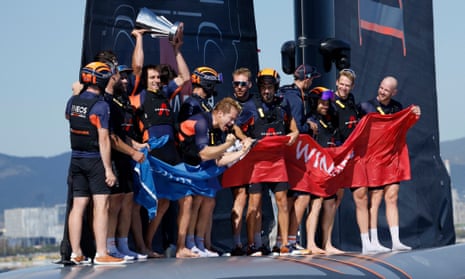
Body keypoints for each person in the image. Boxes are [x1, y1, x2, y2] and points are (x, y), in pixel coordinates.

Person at [129, 27, 192, 258]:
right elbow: (137, 68)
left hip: (171, 153)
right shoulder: (140, 95)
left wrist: (177, 50)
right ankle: (143, 246)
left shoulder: (166, 92)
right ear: (145, 81)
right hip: (151, 153)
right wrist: (139, 39)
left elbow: (185, 77)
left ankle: (181, 247)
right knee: (139, 202)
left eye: (157, 77)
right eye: (152, 77)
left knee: (179, 198)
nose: (156, 80)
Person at [65, 61, 125, 265]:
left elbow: (68, 116)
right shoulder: (101, 106)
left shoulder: (72, 101)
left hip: (75, 159)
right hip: (94, 160)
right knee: (102, 205)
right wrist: (109, 169)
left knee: (79, 204)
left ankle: (76, 252)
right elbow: (104, 139)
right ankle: (101, 253)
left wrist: (76, 94)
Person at [358, 76, 421, 253]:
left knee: (392, 196)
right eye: (381, 87)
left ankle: (395, 240)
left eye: (386, 90)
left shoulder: (397, 107)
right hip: (374, 159)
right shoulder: (365, 107)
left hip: (391, 159)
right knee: (375, 198)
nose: (382, 91)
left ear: (394, 92)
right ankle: (374, 240)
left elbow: (403, 127)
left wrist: (413, 113)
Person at [245, 68, 299, 256]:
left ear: (275, 87)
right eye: (263, 87)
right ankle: (253, 244)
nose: (266, 91)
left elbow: (293, 127)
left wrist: (294, 134)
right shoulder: (250, 105)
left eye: (269, 87)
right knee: (254, 204)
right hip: (258, 163)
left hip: (277, 161)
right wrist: (244, 139)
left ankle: (284, 243)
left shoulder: (283, 104)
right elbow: (237, 127)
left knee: (282, 202)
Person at [104, 64, 149, 261]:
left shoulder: (123, 101)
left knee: (128, 201)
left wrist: (138, 145)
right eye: (121, 77)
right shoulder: (106, 101)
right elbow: (113, 138)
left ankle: (123, 244)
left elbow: (124, 134)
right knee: (114, 204)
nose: (125, 80)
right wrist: (132, 151)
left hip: (126, 157)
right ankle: (110, 245)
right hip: (114, 157)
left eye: (126, 78)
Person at [178, 66, 223, 257]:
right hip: (194, 158)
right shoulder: (190, 103)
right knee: (194, 201)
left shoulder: (206, 104)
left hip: (209, 157)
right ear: (206, 82)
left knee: (208, 201)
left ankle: (202, 242)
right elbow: (188, 132)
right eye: (213, 83)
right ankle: (189, 242)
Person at [279, 64, 321, 255]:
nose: (311, 82)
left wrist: (310, 121)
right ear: (306, 79)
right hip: (293, 153)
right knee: (299, 196)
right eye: (311, 79)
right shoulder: (293, 97)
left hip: (292, 153)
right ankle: (289, 240)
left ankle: (285, 241)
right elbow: (295, 127)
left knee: (291, 197)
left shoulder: (293, 94)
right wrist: (309, 126)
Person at [306, 86, 343, 254]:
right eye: (321, 103)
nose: (325, 105)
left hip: (330, 168)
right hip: (315, 168)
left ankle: (327, 243)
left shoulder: (332, 118)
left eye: (327, 103)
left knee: (330, 203)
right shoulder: (310, 119)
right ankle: (311, 243)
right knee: (316, 204)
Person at [229, 67, 256, 256]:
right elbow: (236, 129)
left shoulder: (255, 103)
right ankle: (237, 243)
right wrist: (244, 139)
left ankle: (255, 243)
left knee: (256, 199)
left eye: (243, 84)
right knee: (240, 196)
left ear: (249, 85)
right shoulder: (228, 104)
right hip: (234, 155)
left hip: (255, 156)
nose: (239, 87)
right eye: (236, 84)